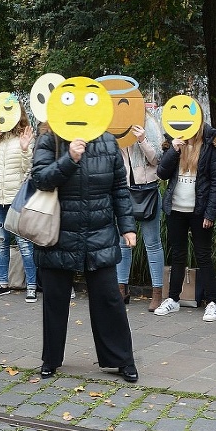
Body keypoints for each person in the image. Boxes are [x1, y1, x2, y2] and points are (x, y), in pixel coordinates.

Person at [31, 124, 139, 382]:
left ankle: (122, 360)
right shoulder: (50, 140)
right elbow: (40, 179)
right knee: (55, 300)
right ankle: (50, 359)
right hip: (57, 233)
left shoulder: (107, 142)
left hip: (98, 233)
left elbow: (119, 190)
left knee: (109, 299)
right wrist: (70, 159)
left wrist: (127, 226)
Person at [154, 116, 216, 322]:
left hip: (199, 211)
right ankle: (173, 299)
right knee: (177, 255)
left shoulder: (211, 145)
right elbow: (162, 172)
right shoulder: (174, 142)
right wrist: (173, 150)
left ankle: (212, 302)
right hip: (175, 208)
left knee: (203, 255)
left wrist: (210, 213)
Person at [0, 109, 38, 302]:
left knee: (24, 243)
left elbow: (28, 168)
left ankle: (32, 285)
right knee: (1, 242)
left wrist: (25, 149)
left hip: (17, 199)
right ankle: (3, 284)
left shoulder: (26, 135)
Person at [116, 115, 165, 312]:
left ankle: (157, 293)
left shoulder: (150, 124)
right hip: (124, 190)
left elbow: (157, 159)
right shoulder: (114, 125)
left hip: (148, 190)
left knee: (152, 243)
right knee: (122, 243)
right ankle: (121, 289)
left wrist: (143, 139)